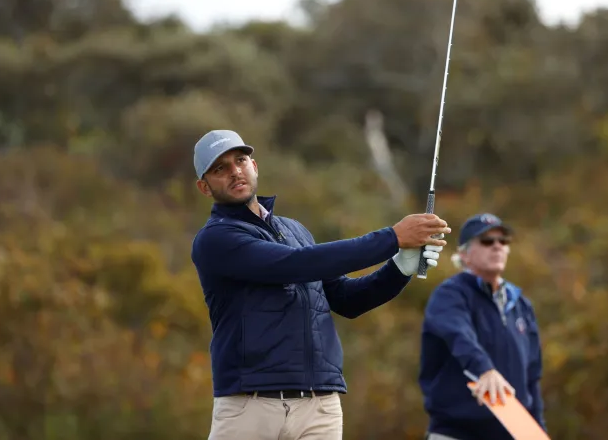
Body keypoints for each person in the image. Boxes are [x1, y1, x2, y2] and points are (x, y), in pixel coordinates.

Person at [189, 129, 451, 440]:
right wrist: (392, 238)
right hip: (249, 406)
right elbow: (296, 265)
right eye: (220, 168)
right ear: (204, 187)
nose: (235, 172)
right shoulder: (215, 239)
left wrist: (399, 268)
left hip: (319, 405)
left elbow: (347, 300)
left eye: (240, 161)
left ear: (254, 167)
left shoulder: (294, 230)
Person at [418, 213, 546, 440]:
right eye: (487, 241)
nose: (497, 246)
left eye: (503, 241)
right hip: (456, 433)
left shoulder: (522, 305)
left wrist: (537, 432)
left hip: (514, 433)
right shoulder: (450, 295)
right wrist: (484, 369)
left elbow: (532, 378)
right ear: (464, 254)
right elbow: (458, 335)